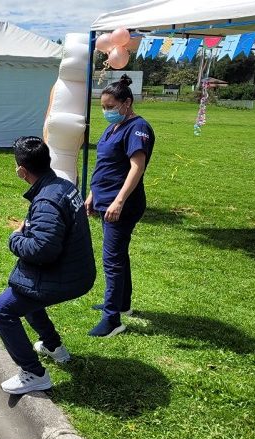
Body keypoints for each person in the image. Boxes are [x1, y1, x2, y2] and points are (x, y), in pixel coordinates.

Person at [0, 136, 95, 395]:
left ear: (21, 171)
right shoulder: (63, 185)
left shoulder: (47, 199)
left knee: (2, 309)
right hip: (77, 270)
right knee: (23, 294)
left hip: (66, 275)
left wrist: (15, 239)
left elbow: (42, 249)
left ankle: (33, 373)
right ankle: (53, 346)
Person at [86, 74, 155, 337]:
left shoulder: (138, 128)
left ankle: (112, 318)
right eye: (103, 107)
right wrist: (93, 195)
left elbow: (136, 168)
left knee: (111, 259)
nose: (106, 111)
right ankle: (122, 304)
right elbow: (105, 165)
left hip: (121, 204)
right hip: (105, 200)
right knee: (118, 255)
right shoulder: (113, 127)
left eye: (110, 107)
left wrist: (118, 201)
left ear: (127, 103)